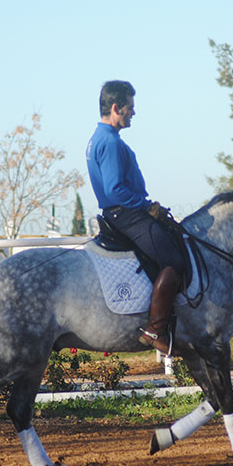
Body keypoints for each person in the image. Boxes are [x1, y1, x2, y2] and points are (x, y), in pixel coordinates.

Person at [86, 80, 186, 354]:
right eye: (130, 107)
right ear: (117, 108)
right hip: (126, 214)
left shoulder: (101, 139)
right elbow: (115, 190)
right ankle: (154, 329)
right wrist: (146, 206)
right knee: (174, 260)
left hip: (122, 213)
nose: (134, 113)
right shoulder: (110, 142)